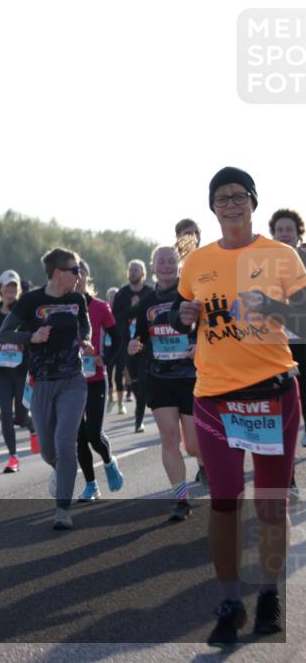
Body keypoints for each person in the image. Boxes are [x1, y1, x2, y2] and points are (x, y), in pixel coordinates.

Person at [171, 167, 301, 647]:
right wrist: (183, 314)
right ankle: (229, 601)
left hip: (272, 394)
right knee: (224, 503)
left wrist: (275, 309)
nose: (230, 204)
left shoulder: (281, 257)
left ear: (253, 201)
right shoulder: (196, 263)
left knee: (270, 506)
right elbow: (184, 309)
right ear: (212, 207)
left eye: (239, 195)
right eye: (221, 197)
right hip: (214, 398)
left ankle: (268, 593)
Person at [0, 248, 92, 530]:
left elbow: (85, 327)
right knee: (49, 450)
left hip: (73, 381)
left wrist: (85, 340)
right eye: (74, 270)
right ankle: (61, 471)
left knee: (66, 441)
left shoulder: (77, 300)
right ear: (58, 273)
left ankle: (62, 509)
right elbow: (5, 333)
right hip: (41, 383)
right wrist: (32, 336)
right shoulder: (31, 301)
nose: (79, 275)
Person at [128, 246, 203, 521]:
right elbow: (139, 337)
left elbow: (206, 330)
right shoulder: (146, 302)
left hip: (191, 379)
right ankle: (181, 499)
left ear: (179, 265)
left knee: (194, 446)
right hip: (159, 378)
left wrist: (197, 345)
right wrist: (134, 345)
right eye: (161, 261)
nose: (167, 265)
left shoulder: (191, 294)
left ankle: (203, 463)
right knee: (169, 438)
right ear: (154, 267)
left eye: (172, 261)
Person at [73, 260, 125, 501]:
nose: (76, 278)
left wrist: (106, 358)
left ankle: (108, 461)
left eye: (80, 274)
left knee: (94, 434)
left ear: (86, 278)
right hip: (71, 382)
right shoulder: (61, 308)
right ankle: (91, 485)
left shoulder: (101, 307)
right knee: (79, 436)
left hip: (95, 378)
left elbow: (118, 337)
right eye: (72, 274)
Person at [0, 269, 37, 473]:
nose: (11, 291)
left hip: (21, 368)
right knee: (6, 413)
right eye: (8, 287)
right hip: (2, 369)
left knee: (20, 415)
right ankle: (13, 458)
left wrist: (21, 341)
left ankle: (31, 425)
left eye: (15, 287)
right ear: (1, 289)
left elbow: (32, 334)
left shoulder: (23, 309)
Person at [269, 209, 306, 456]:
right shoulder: (261, 263)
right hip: (276, 343)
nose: (284, 234)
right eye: (279, 230)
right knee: (282, 400)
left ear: (298, 234)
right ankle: (284, 460)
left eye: (288, 230)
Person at [113, 259, 154, 431]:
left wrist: (138, 308)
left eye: (137, 269)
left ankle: (139, 420)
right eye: (131, 269)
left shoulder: (150, 293)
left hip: (147, 343)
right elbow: (117, 317)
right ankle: (140, 409)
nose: (133, 272)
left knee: (144, 381)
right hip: (127, 344)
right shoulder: (121, 294)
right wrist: (134, 308)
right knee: (134, 382)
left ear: (143, 274)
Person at [105, 286, 127, 414]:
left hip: (120, 347)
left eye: (116, 295)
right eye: (111, 296)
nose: (113, 298)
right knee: (107, 375)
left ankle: (120, 403)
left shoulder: (122, 311)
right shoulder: (104, 310)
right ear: (107, 298)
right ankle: (110, 400)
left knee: (119, 375)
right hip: (107, 347)